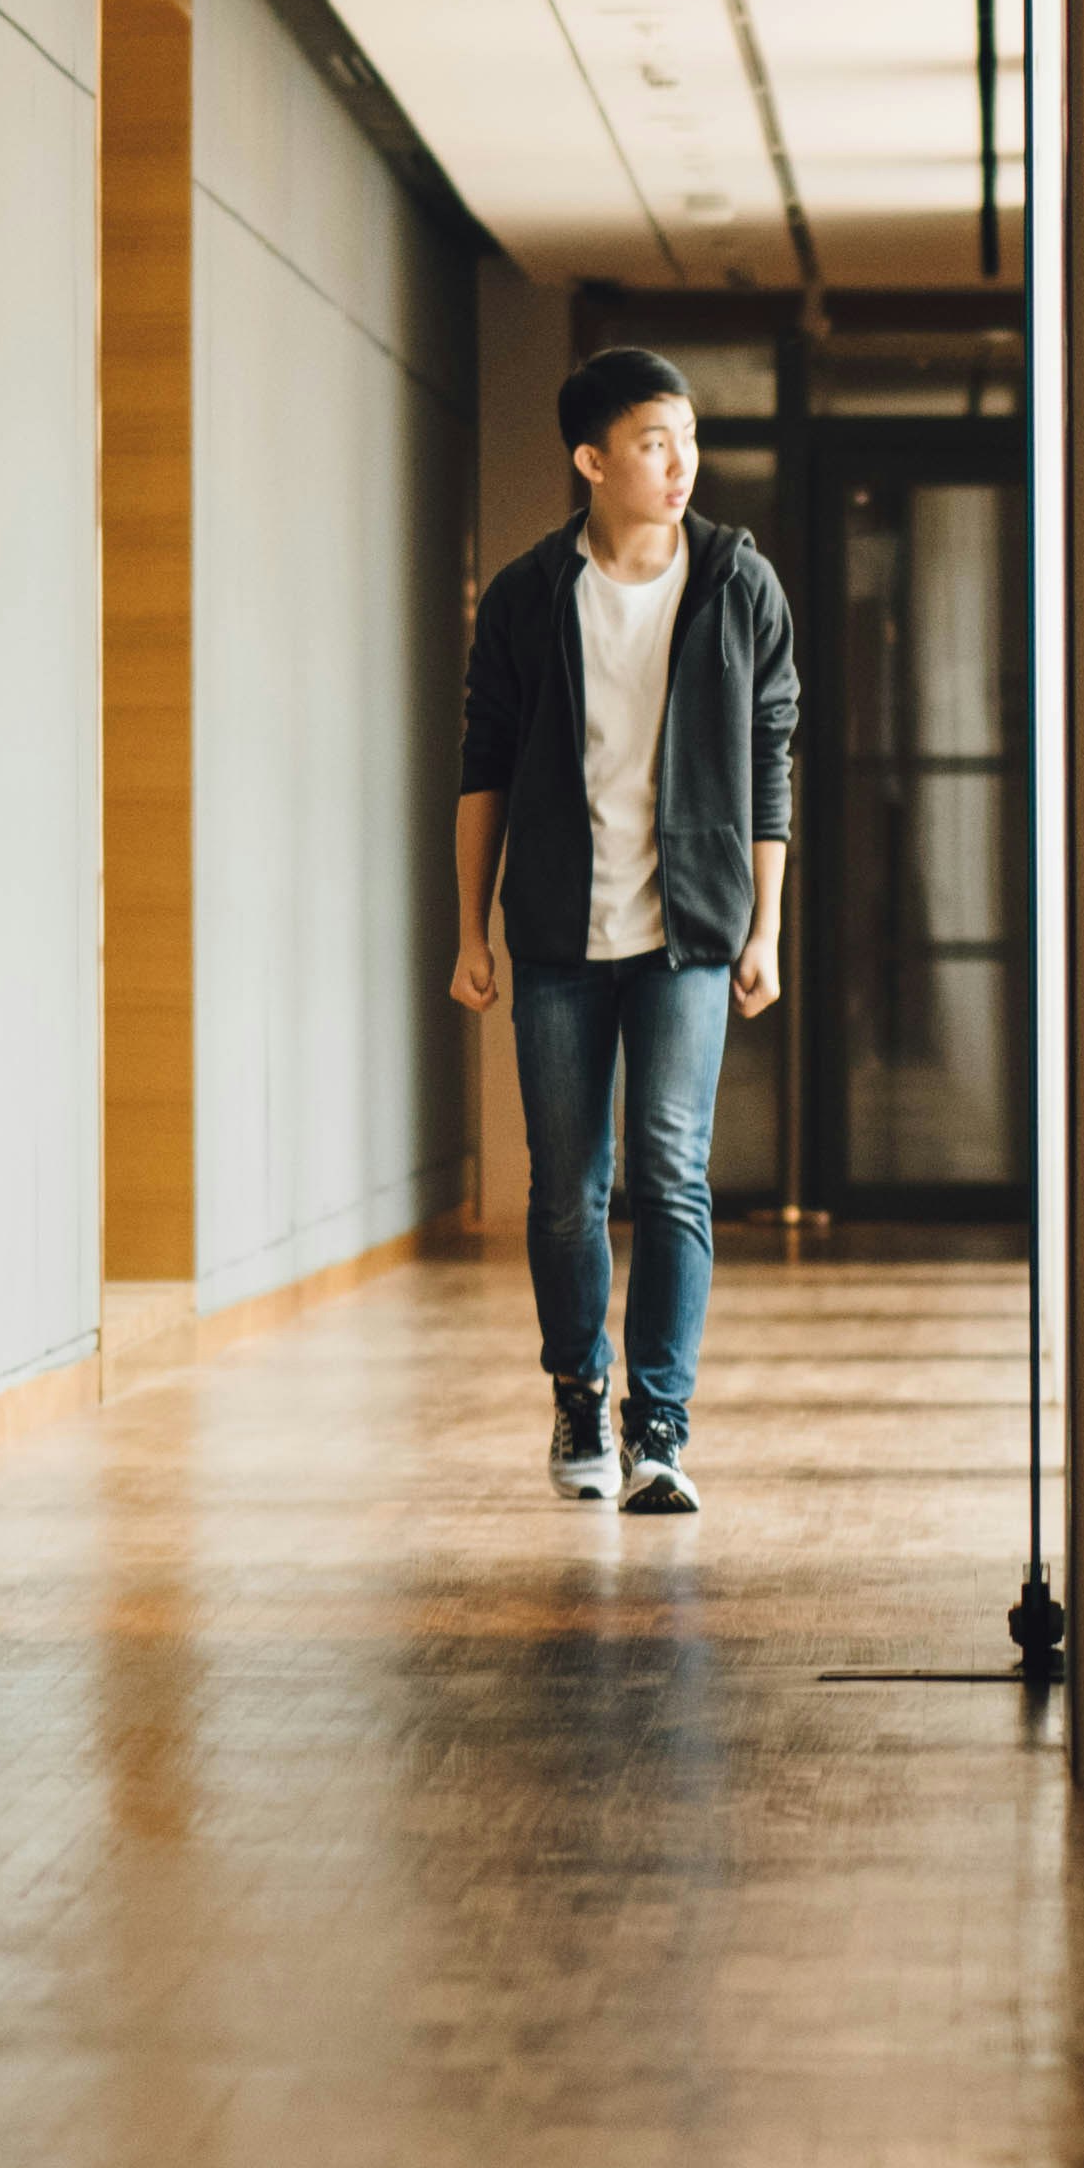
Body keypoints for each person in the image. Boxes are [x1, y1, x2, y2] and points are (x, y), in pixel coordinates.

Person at [449, 347, 800, 1512]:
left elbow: (771, 760)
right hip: (554, 930)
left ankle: (659, 1426)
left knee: (673, 1172)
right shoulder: (527, 594)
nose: (679, 461)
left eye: (689, 437)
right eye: (654, 440)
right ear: (591, 458)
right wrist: (470, 929)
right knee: (567, 1186)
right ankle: (576, 1389)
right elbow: (483, 768)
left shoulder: (738, 582)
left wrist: (766, 927)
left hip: (689, 930)